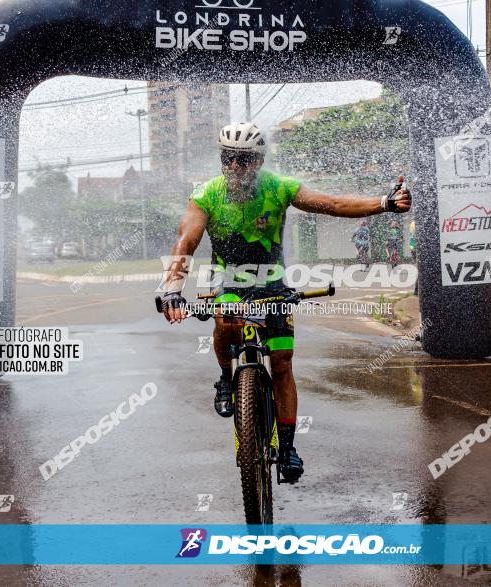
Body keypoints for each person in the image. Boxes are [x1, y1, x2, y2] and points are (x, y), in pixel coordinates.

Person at [160, 122, 411, 483]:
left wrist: (385, 203)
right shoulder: (206, 195)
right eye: (228, 159)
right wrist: (172, 288)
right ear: (221, 160)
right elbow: (185, 242)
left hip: (271, 283)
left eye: (244, 160)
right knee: (225, 322)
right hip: (227, 281)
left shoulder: (279, 188)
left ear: (258, 161)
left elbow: (333, 204)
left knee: (281, 363)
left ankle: (289, 446)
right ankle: (225, 378)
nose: (235, 167)